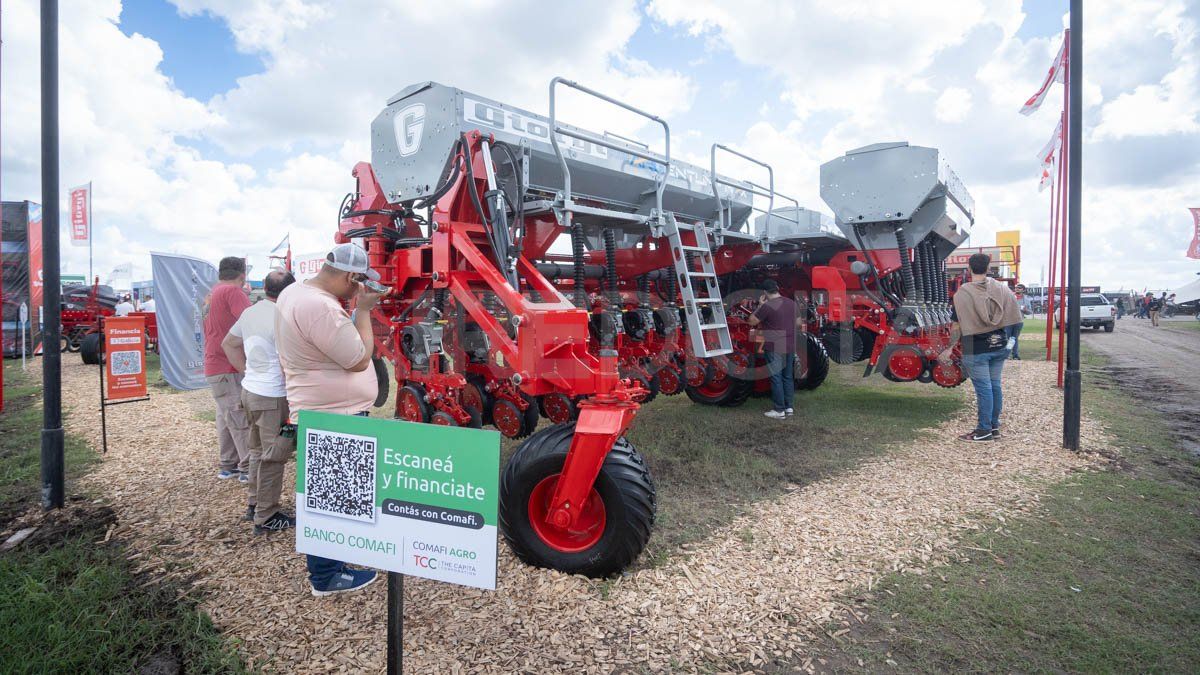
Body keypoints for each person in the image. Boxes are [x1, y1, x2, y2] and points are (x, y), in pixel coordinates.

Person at [275, 243, 381, 596]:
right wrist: (363, 311)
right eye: (359, 284)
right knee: (333, 500)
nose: (360, 291)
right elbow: (357, 360)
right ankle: (328, 576)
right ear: (351, 277)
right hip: (336, 415)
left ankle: (332, 565)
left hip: (323, 410)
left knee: (329, 495)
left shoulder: (296, 292)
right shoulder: (320, 307)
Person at [222, 270, 296, 533]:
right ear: (290, 291)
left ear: (264, 288)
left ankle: (255, 504)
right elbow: (289, 364)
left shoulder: (251, 312)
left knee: (256, 452)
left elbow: (228, 344)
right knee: (275, 455)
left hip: (250, 392)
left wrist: (248, 372)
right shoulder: (283, 318)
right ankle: (267, 515)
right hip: (273, 397)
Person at [940, 253, 1022, 442]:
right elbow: (1017, 320)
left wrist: (950, 347)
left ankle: (983, 430)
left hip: (975, 348)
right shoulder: (1001, 289)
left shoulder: (963, 293)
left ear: (969, 269)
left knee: (984, 389)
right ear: (988, 268)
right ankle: (993, 427)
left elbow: (956, 325)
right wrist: (1010, 344)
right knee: (995, 386)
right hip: (999, 345)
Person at [204, 256, 253, 482]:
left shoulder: (212, 294)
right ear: (242, 275)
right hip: (229, 364)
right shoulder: (233, 293)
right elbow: (252, 322)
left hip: (216, 365)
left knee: (226, 417)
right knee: (239, 417)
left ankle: (228, 464)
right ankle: (247, 468)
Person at [748, 279, 801, 420]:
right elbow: (798, 323)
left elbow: (751, 321)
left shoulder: (767, 306)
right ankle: (788, 407)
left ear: (765, 293)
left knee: (776, 377)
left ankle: (779, 410)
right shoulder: (791, 303)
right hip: (790, 343)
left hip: (775, 345)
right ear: (777, 289)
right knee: (788, 376)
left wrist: (760, 306)